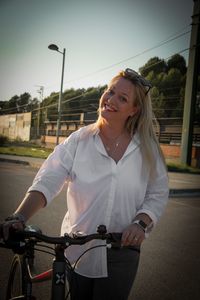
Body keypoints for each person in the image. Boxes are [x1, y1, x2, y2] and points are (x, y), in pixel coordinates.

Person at [2, 68, 169, 300]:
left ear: (135, 109)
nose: (110, 100)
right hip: (77, 248)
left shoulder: (147, 149)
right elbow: (48, 179)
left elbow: (158, 193)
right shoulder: (79, 140)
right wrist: (19, 217)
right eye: (110, 92)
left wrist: (140, 223)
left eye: (122, 98)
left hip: (122, 250)